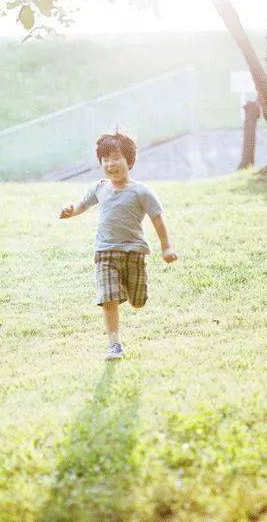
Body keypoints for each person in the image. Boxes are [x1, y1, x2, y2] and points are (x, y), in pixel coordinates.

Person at [60, 132, 177, 361]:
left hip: (133, 252)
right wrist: (70, 210)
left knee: (138, 301)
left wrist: (166, 247)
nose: (110, 164)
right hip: (105, 252)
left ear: (130, 161)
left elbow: (157, 219)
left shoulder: (141, 191)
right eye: (106, 159)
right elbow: (82, 204)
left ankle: (126, 289)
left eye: (116, 158)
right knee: (108, 298)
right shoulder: (99, 188)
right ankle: (114, 344)